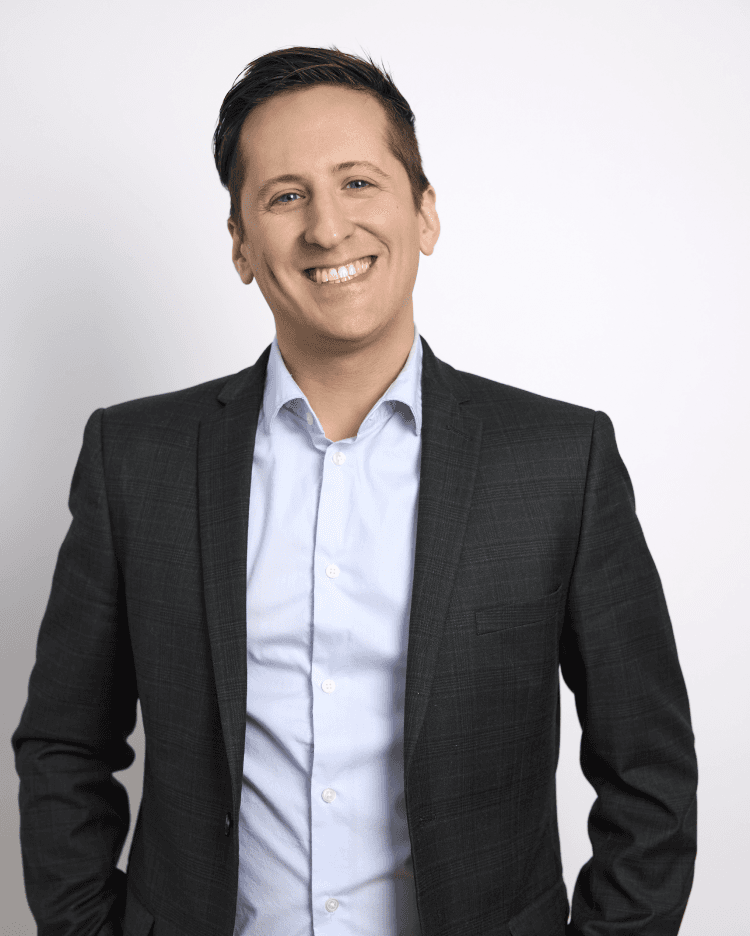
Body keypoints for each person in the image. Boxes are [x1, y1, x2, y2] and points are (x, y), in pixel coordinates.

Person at [12, 46, 697, 936]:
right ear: (240, 245)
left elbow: (648, 768)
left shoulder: (561, 461)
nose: (328, 228)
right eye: (285, 196)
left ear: (425, 213)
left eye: (359, 183)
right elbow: (65, 747)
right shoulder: (135, 459)